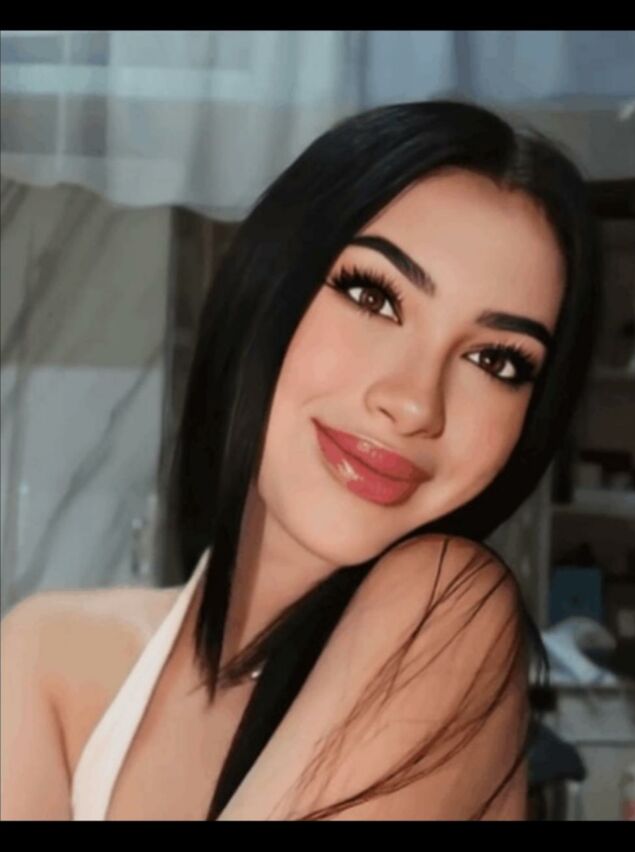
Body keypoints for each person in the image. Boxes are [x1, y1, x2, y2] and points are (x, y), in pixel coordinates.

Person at [0, 100, 601, 821]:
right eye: (373, 296)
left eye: (496, 361)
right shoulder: (49, 654)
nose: (415, 402)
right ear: (270, 286)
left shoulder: (450, 612)